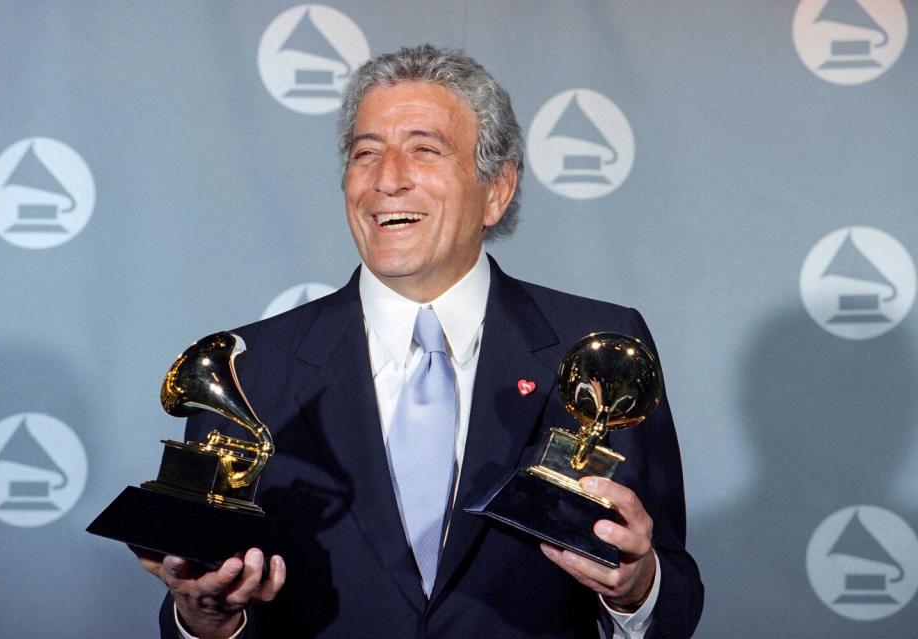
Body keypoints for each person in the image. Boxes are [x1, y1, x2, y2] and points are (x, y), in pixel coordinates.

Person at [134, 44, 703, 639]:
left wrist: (638, 587)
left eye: (424, 150)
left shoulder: (598, 350)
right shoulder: (246, 372)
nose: (387, 180)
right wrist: (207, 615)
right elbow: (203, 597)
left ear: (497, 189)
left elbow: (675, 602)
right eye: (366, 154)